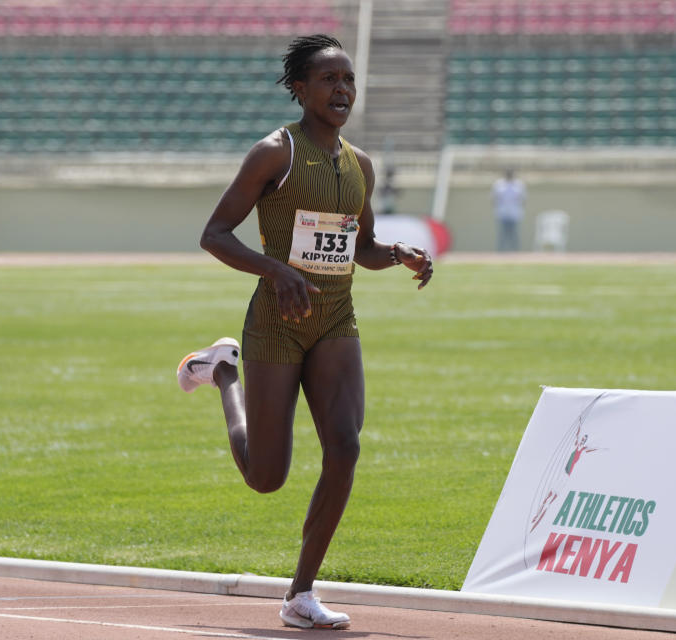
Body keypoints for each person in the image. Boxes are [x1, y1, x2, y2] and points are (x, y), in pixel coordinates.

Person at [176, 34, 433, 630]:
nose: (342, 90)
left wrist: (397, 253)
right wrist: (274, 269)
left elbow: (360, 246)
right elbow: (214, 233)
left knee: (345, 446)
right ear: (300, 88)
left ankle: (300, 594)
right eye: (328, 80)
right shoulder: (275, 153)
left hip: (335, 318)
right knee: (266, 478)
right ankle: (223, 373)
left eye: (349, 81)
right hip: (277, 320)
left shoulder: (358, 164)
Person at [491, 169, 526, 251]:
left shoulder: (519, 185)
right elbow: (494, 198)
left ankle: (515, 252)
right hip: (502, 212)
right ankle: (500, 252)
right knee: (502, 234)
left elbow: (523, 199)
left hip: (514, 213)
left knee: (514, 234)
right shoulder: (499, 184)